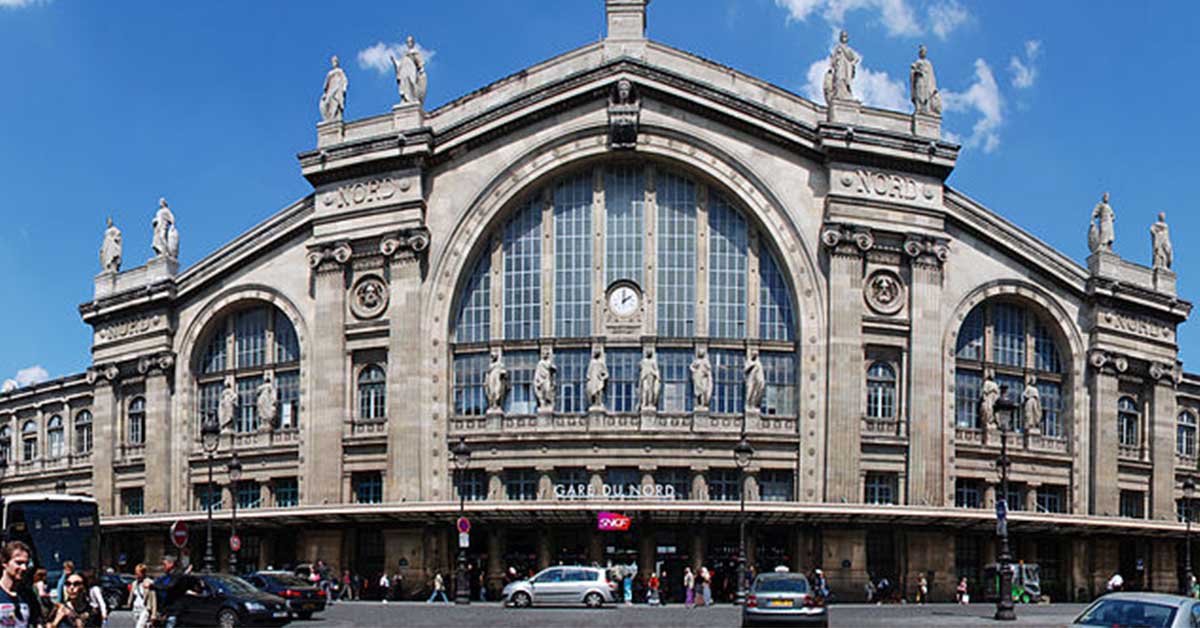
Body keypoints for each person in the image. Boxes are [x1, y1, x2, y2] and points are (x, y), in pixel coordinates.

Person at [0, 541, 41, 628]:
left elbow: (37, 623)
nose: (24, 568)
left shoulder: (29, 595)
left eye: (26, 564)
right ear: (5, 563)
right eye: (19, 563)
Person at [128, 564, 152, 628]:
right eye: (136, 573)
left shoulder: (149, 582)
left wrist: (153, 613)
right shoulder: (134, 583)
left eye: (138, 573)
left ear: (143, 573)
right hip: (136, 608)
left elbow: (153, 598)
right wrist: (129, 603)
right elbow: (131, 595)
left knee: (139, 626)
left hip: (145, 608)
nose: (137, 575)